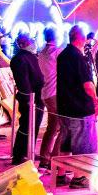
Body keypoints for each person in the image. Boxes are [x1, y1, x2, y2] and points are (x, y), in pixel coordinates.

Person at [51, 25, 98, 184]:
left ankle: (61, 174)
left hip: (65, 106)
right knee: (83, 144)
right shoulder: (78, 58)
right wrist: (96, 101)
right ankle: (79, 177)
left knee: (66, 142)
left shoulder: (63, 55)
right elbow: (87, 84)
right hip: (80, 109)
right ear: (80, 38)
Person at [8, 33, 44, 165]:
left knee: (34, 126)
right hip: (30, 98)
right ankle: (19, 154)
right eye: (29, 41)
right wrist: (28, 98)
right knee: (26, 126)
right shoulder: (19, 59)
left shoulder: (30, 56)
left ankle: (29, 152)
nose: (32, 43)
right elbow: (23, 80)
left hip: (38, 97)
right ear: (22, 44)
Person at [35, 26, 63, 168]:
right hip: (55, 93)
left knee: (52, 127)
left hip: (46, 92)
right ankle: (55, 159)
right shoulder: (56, 52)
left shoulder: (42, 52)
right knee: (63, 127)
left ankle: (44, 158)